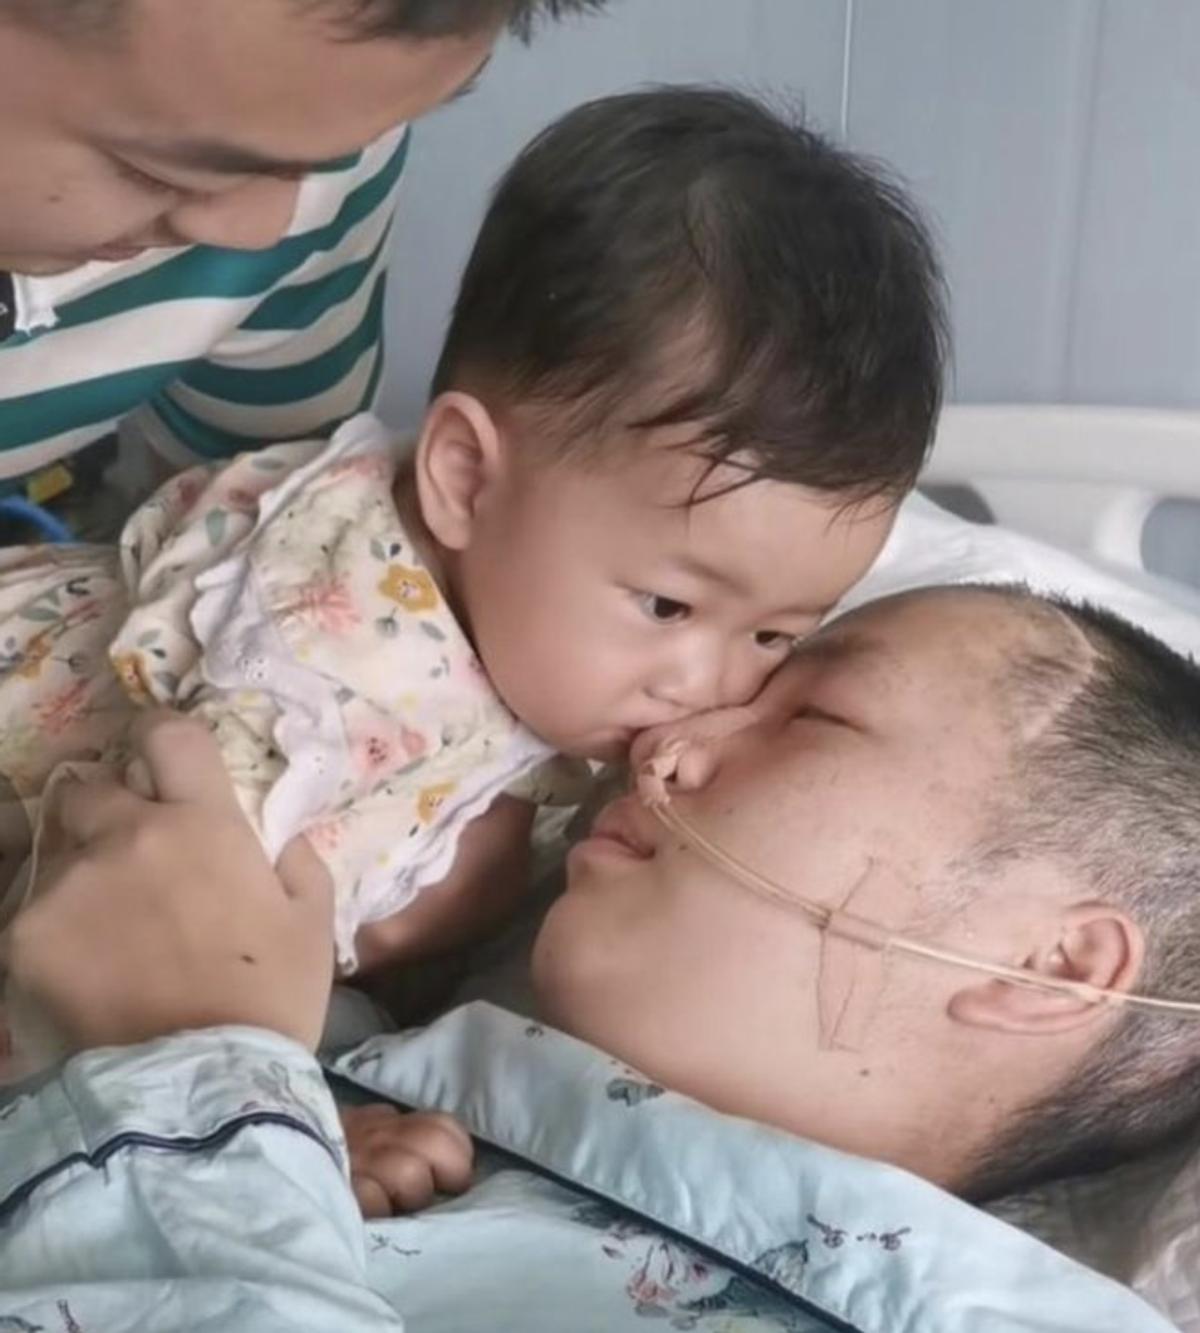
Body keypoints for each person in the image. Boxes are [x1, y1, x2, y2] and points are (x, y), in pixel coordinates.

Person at [0, 88, 947, 1066]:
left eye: (775, 635)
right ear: (463, 480)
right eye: (667, 605)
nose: (709, 686)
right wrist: (358, 966)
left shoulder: (550, 645)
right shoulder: (327, 635)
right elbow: (153, 913)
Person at [2, 584, 1196, 1331]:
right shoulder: (342, 1054)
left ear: (1054, 967)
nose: (666, 743)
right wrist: (280, 1134)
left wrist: (187, 1090)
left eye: (814, 718)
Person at [0, 0, 605, 489]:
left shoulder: (322, 159)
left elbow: (239, 507)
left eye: (332, 158)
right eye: (157, 175)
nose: (265, 233)